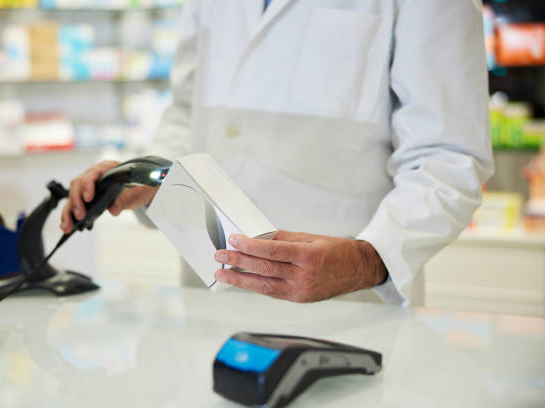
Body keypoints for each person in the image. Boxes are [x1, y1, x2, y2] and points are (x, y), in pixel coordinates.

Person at [61, 0, 494, 306]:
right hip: (206, 293)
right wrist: (145, 177)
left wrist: (368, 259)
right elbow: (189, 111)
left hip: (343, 312)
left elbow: (448, 156)